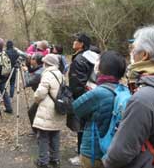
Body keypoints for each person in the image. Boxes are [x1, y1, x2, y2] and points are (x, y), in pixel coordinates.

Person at [103, 26, 154, 168]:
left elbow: (118, 155)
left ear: (145, 55)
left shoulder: (144, 99)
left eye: (133, 48)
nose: (131, 53)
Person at [72, 51, 127, 168]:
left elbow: (76, 108)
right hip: (112, 150)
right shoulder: (123, 89)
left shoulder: (98, 93)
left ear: (102, 68)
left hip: (93, 152)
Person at [33, 54, 65, 168]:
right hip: (58, 106)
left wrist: (35, 98)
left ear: (47, 63)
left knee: (43, 136)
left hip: (47, 109)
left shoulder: (47, 74)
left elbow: (40, 93)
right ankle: (55, 159)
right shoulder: (60, 74)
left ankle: (43, 161)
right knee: (55, 134)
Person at [68, 33, 94, 166]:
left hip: (82, 96)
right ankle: (84, 151)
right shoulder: (89, 56)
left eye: (76, 40)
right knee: (87, 125)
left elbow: (77, 83)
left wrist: (76, 98)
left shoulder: (79, 59)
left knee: (81, 126)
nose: (73, 42)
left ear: (81, 44)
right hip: (91, 93)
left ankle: (81, 155)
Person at [22, 52, 44, 135]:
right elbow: (32, 70)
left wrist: (26, 72)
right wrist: (28, 66)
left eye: (32, 58)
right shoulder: (40, 68)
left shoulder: (39, 73)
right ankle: (39, 130)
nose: (30, 60)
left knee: (31, 112)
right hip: (43, 95)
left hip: (44, 96)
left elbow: (27, 82)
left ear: (36, 61)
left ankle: (37, 131)